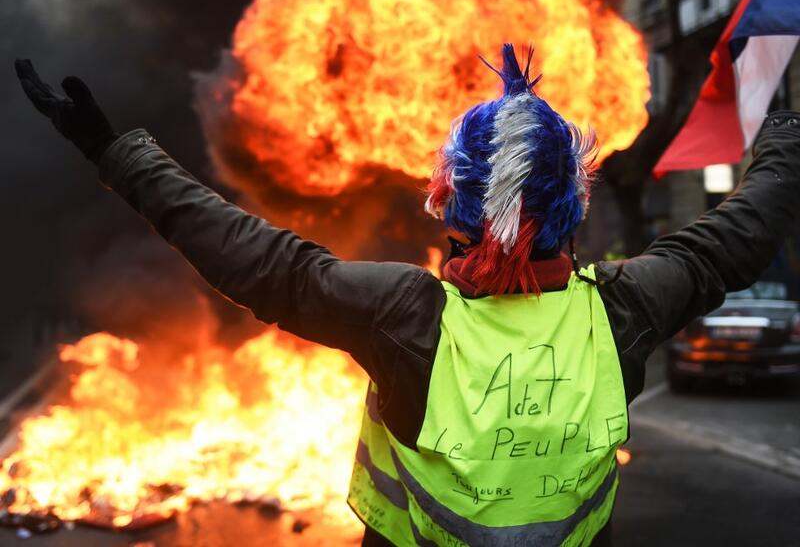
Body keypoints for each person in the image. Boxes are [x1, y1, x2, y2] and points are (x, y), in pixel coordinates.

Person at [14, 45, 800, 547]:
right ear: (573, 204)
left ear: (450, 200)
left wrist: (117, 155)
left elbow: (256, 262)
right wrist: (784, 146)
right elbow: (734, 240)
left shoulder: (408, 318)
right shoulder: (622, 310)